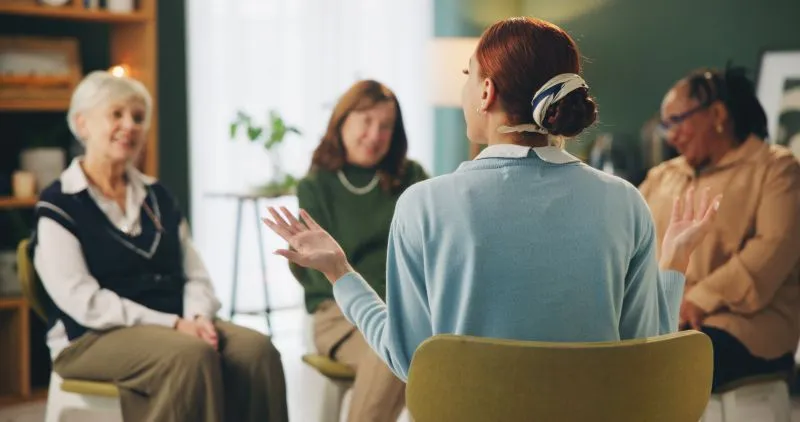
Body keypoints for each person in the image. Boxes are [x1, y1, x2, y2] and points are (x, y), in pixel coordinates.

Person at [264, 17, 720, 381]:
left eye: (469, 76)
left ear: (486, 92)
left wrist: (339, 272)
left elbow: (411, 364)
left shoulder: (423, 205)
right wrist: (675, 259)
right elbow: (643, 352)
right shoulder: (626, 203)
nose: (466, 89)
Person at [30, 70, 289, 422]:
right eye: (116, 114)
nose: (130, 126)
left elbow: (195, 274)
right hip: (91, 337)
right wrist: (172, 325)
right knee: (190, 354)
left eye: (138, 117)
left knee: (257, 350)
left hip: (177, 325)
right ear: (83, 124)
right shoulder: (59, 205)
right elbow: (83, 301)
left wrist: (197, 317)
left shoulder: (158, 197)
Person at [639, 66, 800, 391]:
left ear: (717, 114)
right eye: (665, 126)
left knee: (664, 369)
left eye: (677, 121)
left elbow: (771, 249)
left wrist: (697, 300)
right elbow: (629, 240)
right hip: (669, 321)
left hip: (745, 326)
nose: (671, 135)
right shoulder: (662, 176)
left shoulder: (777, 170)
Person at [290, 80, 428, 421]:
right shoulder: (316, 187)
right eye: (366, 121)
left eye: (385, 126)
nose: (374, 134)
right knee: (394, 350)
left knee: (440, 355)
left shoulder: (412, 177)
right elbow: (315, 272)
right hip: (338, 315)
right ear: (342, 121)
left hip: (410, 313)